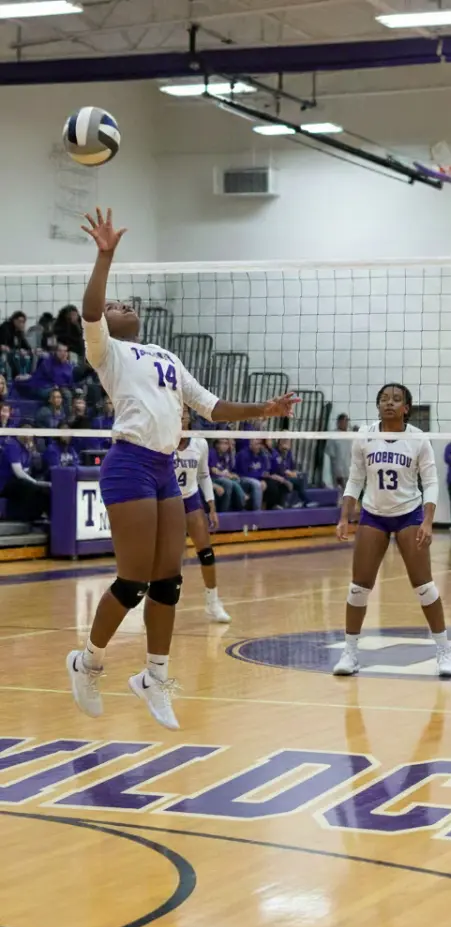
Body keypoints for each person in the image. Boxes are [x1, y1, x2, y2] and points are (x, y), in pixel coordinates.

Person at [65, 208, 299, 730]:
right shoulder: (109, 352)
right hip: (129, 463)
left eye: (125, 302)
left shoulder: (166, 355)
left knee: (169, 581)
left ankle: (154, 676)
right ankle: (88, 662)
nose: (122, 305)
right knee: (132, 582)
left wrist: (261, 409)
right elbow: (91, 310)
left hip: (165, 466)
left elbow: (211, 407)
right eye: (116, 305)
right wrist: (105, 257)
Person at [334, 382, 451, 678]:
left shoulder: (418, 439)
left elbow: (430, 482)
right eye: (384, 399)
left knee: (424, 586)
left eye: (396, 399)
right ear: (378, 406)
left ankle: (444, 651)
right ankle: (350, 652)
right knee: (358, 587)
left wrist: (427, 520)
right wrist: (344, 516)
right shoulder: (365, 436)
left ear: (406, 408)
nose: (389, 402)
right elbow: (355, 479)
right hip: (373, 515)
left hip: (409, 514)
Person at [175, 408, 231, 623]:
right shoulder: (163, 440)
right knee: (170, 557)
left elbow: (204, 475)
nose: (180, 417)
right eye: (177, 412)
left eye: (183, 413)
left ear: (189, 418)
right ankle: (159, 600)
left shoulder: (199, 443)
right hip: (168, 500)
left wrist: (212, 507)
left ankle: (213, 602)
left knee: (206, 552)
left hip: (190, 498)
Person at [0, 424, 50, 522]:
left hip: (18, 481)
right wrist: (35, 482)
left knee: (44, 490)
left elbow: (33, 468)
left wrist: (33, 453)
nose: (28, 434)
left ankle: (36, 517)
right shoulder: (12, 445)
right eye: (25, 430)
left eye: (30, 432)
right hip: (5, 483)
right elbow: (18, 472)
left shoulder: (26, 448)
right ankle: (20, 517)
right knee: (30, 487)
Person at [209, 438, 247, 512]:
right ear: (217, 444)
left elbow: (227, 470)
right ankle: (225, 511)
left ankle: (240, 507)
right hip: (212, 478)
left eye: (226, 443)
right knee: (229, 483)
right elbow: (213, 470)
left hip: (222, 477)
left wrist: (231, 475)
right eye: (222, 443)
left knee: (236, 479)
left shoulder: (227, 455)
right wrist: (224, 474)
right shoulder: (212, 452)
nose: (225, 446)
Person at [326, 413, 352, 492]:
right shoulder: (333, 436)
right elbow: (331, 455)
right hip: (338, 471)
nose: (346, 423)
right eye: (344, 421)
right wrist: (337, 472)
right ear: (339, 422)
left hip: (349, 470)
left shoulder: (351, 435)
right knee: (339, 491)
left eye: (347, 421)